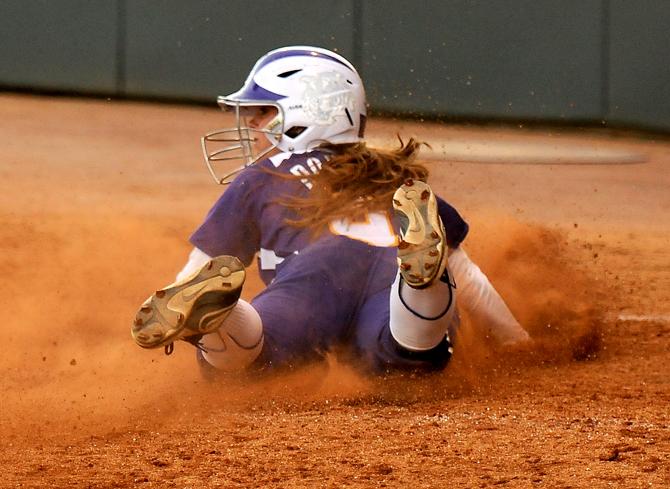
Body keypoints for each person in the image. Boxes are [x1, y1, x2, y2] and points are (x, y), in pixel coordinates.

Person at [131, 46, 530, 376]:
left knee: (252, 361)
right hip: (388, 270)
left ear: (313, 112)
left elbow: (199, 270)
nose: (251, 123)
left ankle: (225, 317)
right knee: (408, 360)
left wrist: (183, 315)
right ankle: (419, 287)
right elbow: (470, 278)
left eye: (264, 111)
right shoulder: (391, 178)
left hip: (312, 279)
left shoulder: (263, 179)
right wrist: (516, 340)